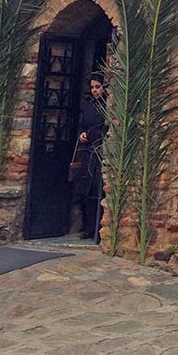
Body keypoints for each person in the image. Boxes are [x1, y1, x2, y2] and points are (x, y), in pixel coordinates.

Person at [74, 73, 107, 242]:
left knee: (98, 190)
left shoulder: (107, 105)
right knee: (85, 190)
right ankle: (87, 227)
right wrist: (82, 134)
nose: (95, 90)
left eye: (97, 87)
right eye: (93, 87)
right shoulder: (88, 106)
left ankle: (99, 229)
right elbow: (82, 124)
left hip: (100, 151)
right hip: (88, 151)